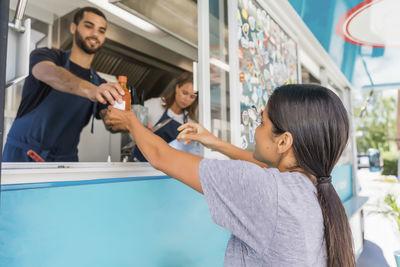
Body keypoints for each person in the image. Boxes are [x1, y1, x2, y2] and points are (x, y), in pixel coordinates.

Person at [104, 84, 355, 267]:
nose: (256, 131)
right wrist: (214, 142)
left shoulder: (267, 190)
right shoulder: (311, 188)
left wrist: (130, 121)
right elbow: (268, 169)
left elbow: (161, 156)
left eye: (261, 122)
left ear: (284, 141)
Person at [3, 7, 125, 162]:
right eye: (89, 26)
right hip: (22, 156)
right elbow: (49, 73)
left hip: (64, 163)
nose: (95, 34)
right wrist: (91, 90)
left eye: (101, 31)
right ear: (73, 27)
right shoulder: (46, 56)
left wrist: (124, 123)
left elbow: (110, 120)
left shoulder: (100, 83)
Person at [130, 72, 198, 161]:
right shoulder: (154, 105)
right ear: (177, 88)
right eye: (184, 93)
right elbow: (129, 123)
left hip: (167, 168)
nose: (186, 99)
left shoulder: (190, 122)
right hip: (140, 161)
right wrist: (142, 129)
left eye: (192, 97)